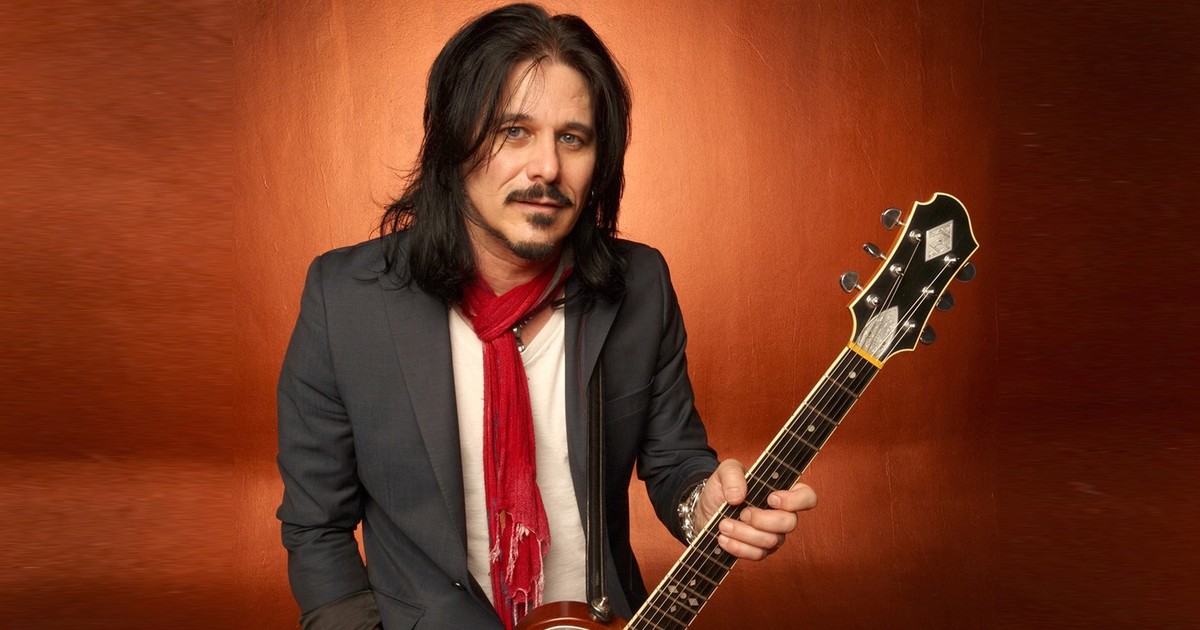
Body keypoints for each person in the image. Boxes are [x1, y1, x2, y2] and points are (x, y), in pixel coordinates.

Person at [276, 4, 817, 629]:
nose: (548, 169)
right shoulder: (346, 298)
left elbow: (675, 464)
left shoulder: (640, 284)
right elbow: (316, 526)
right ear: (454, 143)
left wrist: (710, 506)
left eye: (572, 138)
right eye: (514, 132)